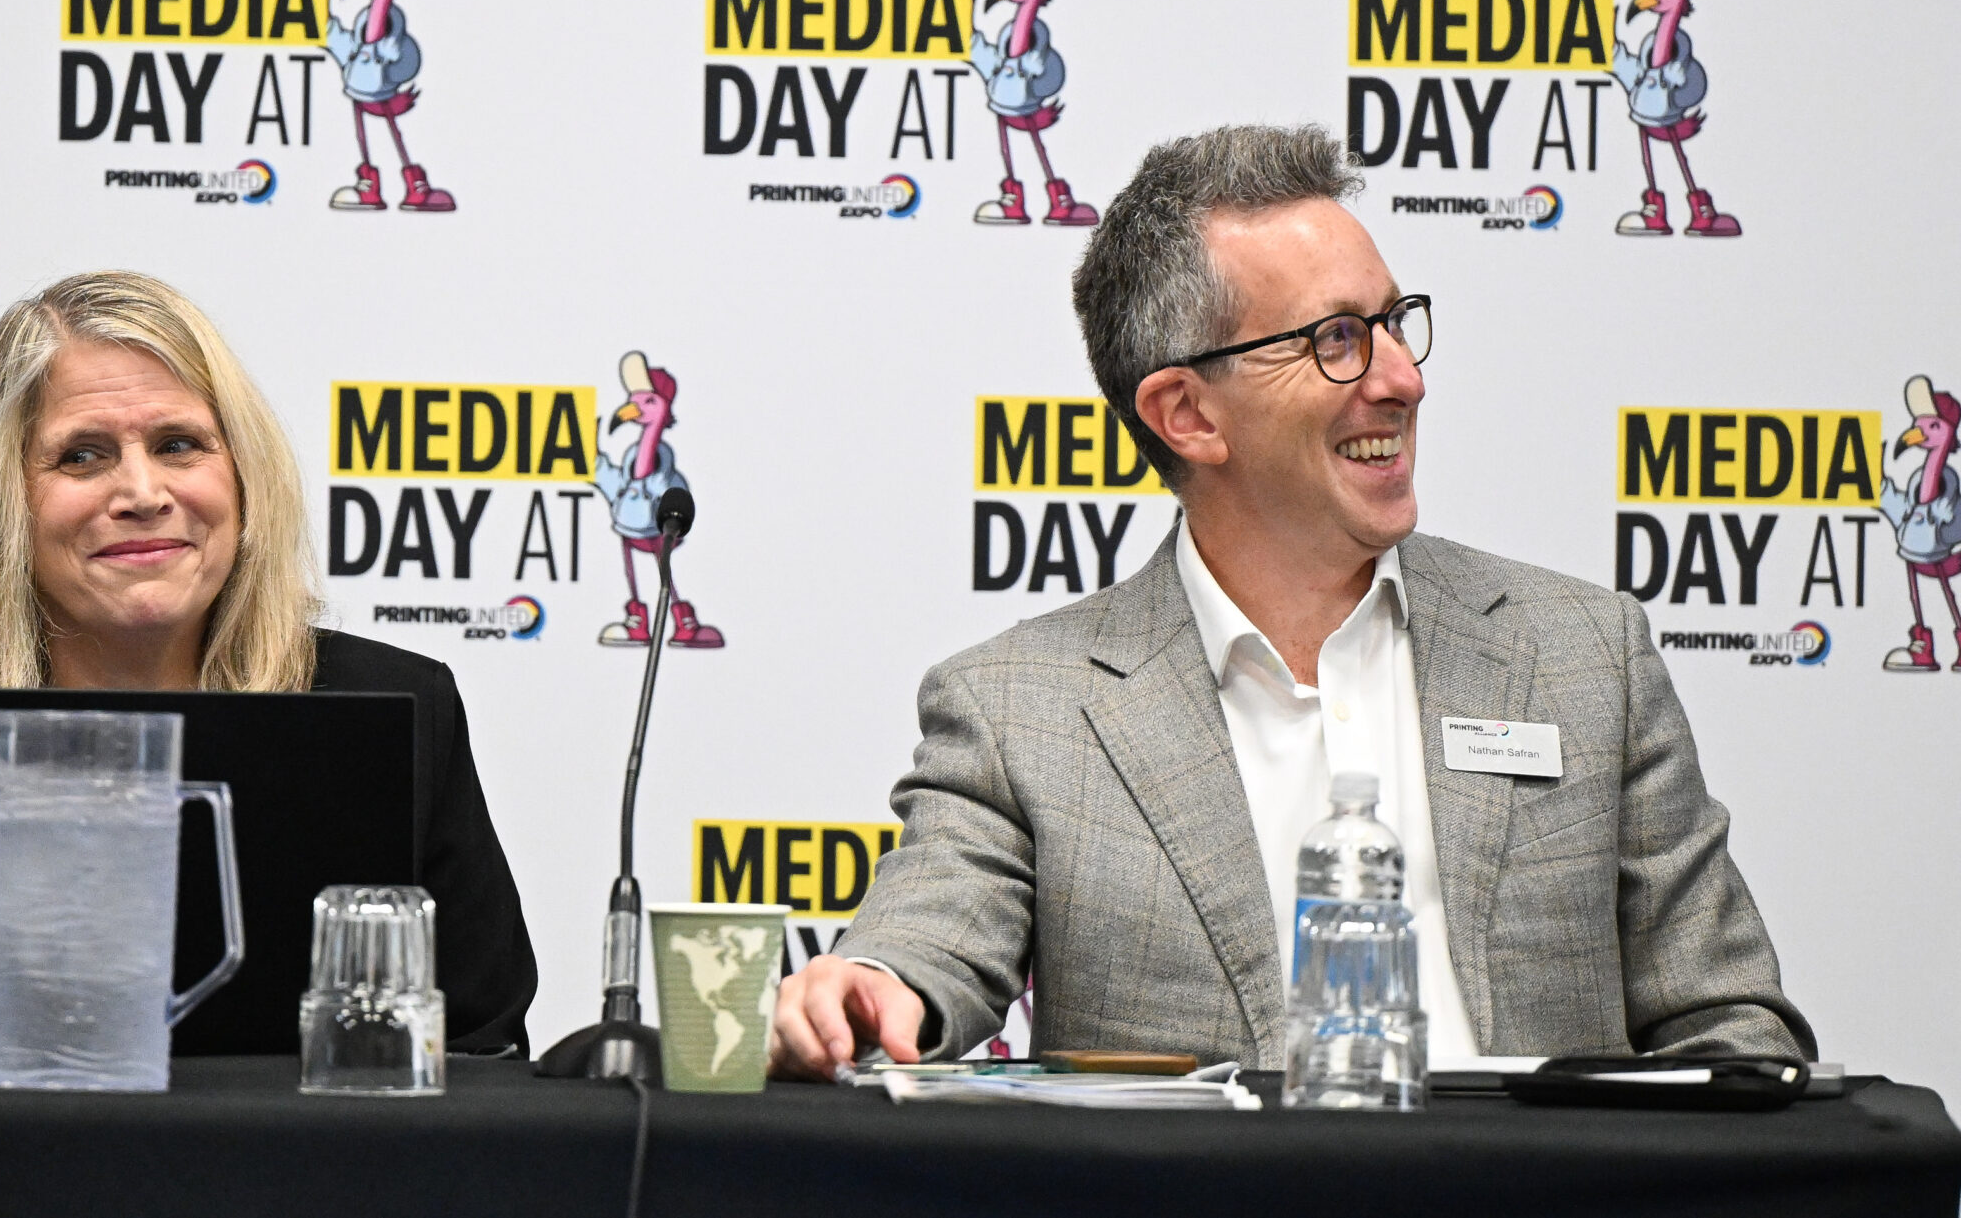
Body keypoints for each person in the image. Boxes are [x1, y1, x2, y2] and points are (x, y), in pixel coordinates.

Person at [773, 124, 1812, 1077]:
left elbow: (1735, 1033)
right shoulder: (1019, 709)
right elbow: (923, 944)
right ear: (1187, 414)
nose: (1400, 377)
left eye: (1395, 322)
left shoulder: (1585, 655)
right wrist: (872, 989)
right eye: (1336, 340)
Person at [0, 271, 538, 1051]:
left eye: (178, 444)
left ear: (242, 476)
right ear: (6, 500)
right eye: (82, 455)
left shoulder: (397, 703)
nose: (141, 490)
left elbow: (486, 1046)